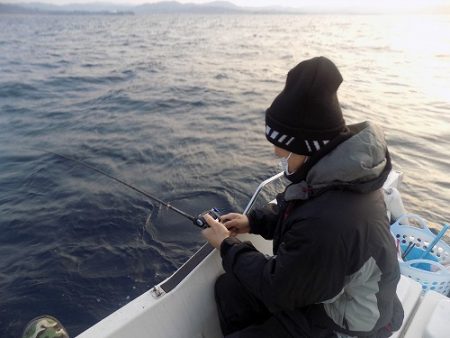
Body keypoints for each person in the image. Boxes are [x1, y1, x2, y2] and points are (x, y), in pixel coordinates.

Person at [202, 56, 404, 338]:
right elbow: (300, 207)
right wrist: (254, 222)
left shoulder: (330, 222)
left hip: (347, 322)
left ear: (308, 148)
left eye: (285, 152)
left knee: (243, 288)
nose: (277, 155)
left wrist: (227, 246)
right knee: (230, 289)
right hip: (329, 292)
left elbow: (278, 290)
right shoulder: (339, 175)